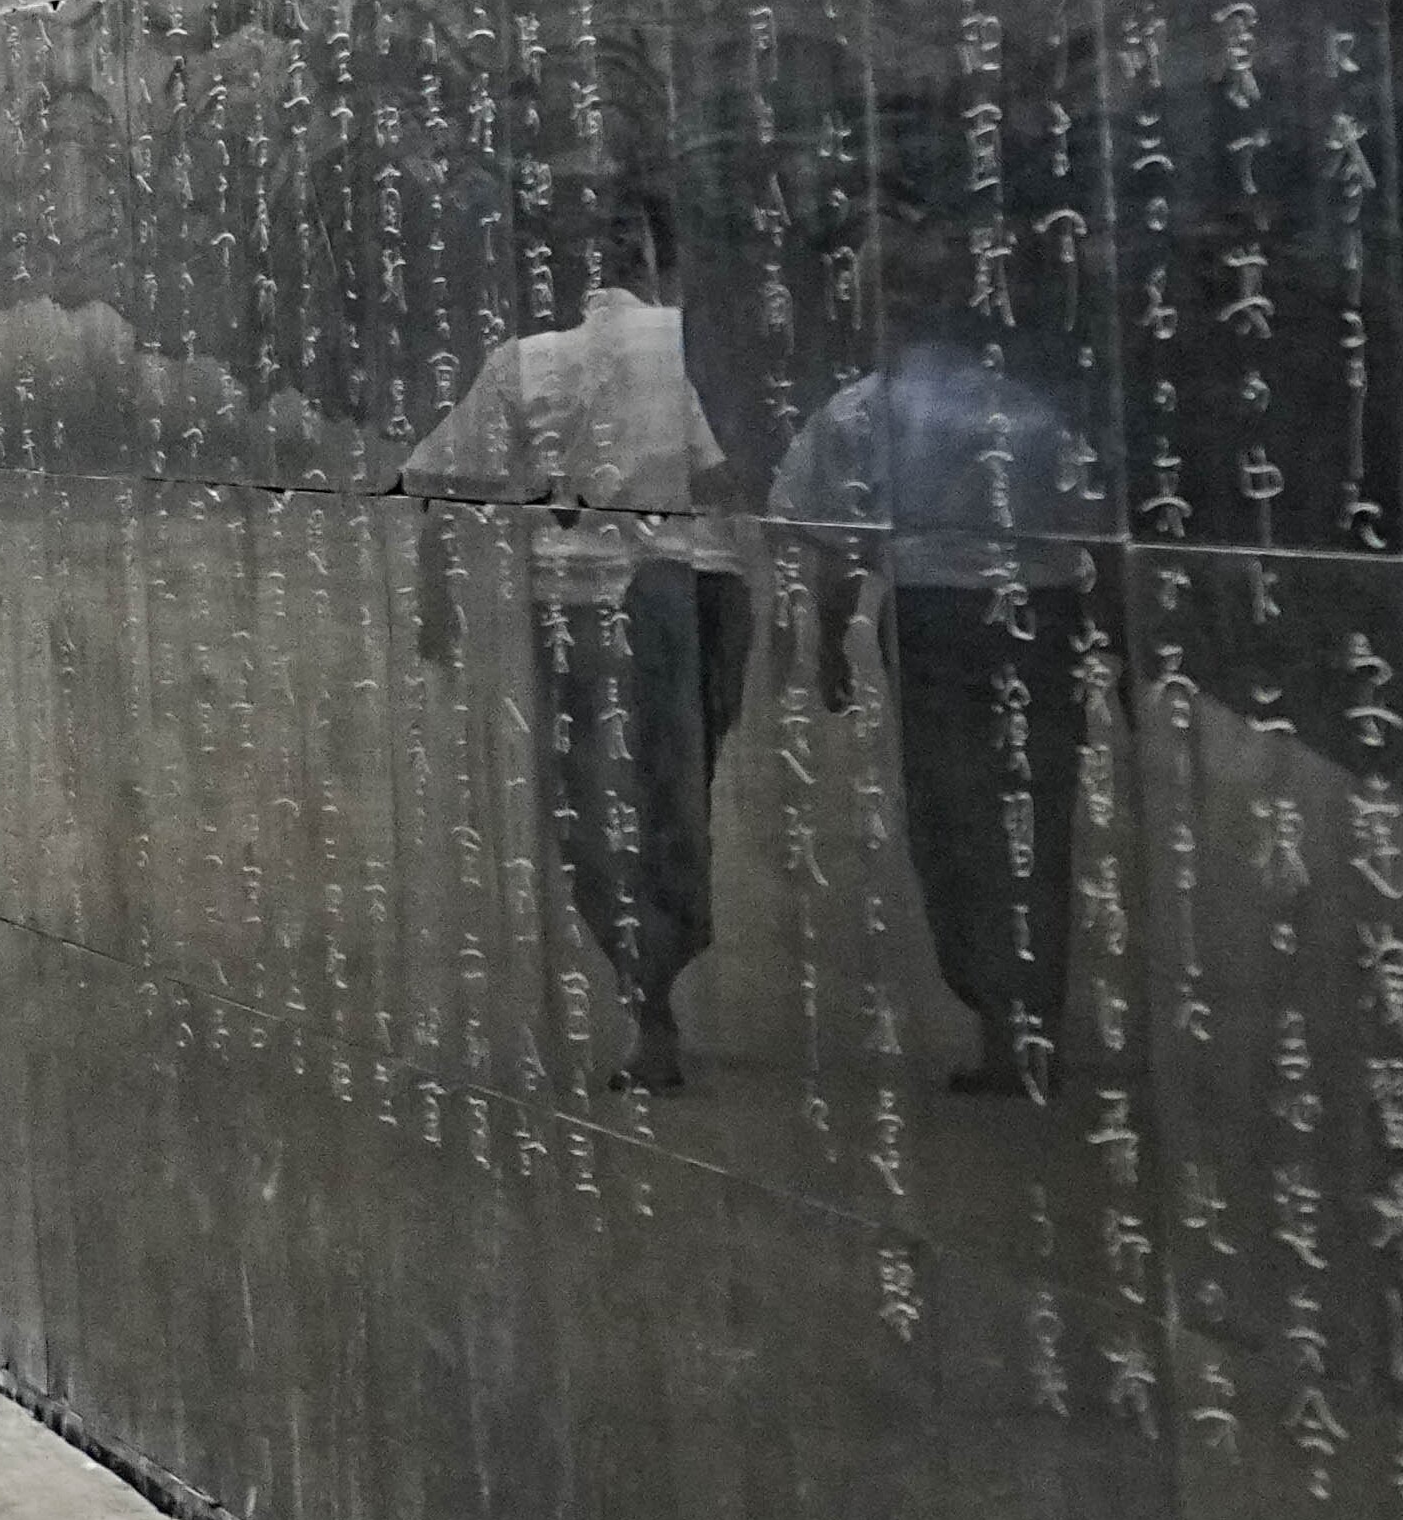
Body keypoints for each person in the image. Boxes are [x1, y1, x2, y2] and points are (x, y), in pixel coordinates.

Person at [400, 191, 741, 1094]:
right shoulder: (674, 345)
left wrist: (436, 590)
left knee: (594, 804)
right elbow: (718, 477)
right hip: (678, 589)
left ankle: (650, 999)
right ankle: (659, 984)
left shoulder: (526, 360)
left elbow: (437, 471)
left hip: (580, 602)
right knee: (672, 788)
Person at [772, 330, 1097, 1098]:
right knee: (1031, 813)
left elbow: (839, 537)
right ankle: (1026, 1018)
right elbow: (1095, 526)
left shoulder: (867, 408)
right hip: (1039, 612)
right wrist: (1112, 636)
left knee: (952, 813)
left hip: (933, 615)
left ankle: (998, 1009)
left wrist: (828, 640)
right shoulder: (1036, 407)